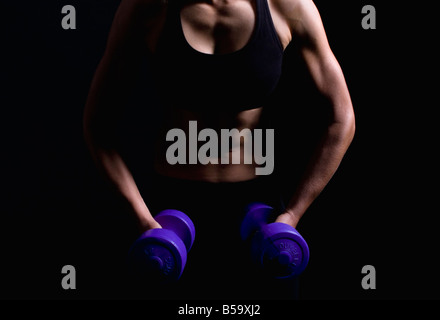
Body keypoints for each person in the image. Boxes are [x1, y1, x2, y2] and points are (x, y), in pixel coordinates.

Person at [83, 0, 355, 299]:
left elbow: (342, 119)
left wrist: (293, 214)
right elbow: (98, 124)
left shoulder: (289, 6)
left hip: (259, 217)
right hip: (172, 215)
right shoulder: (146, 7)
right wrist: (142, 218)